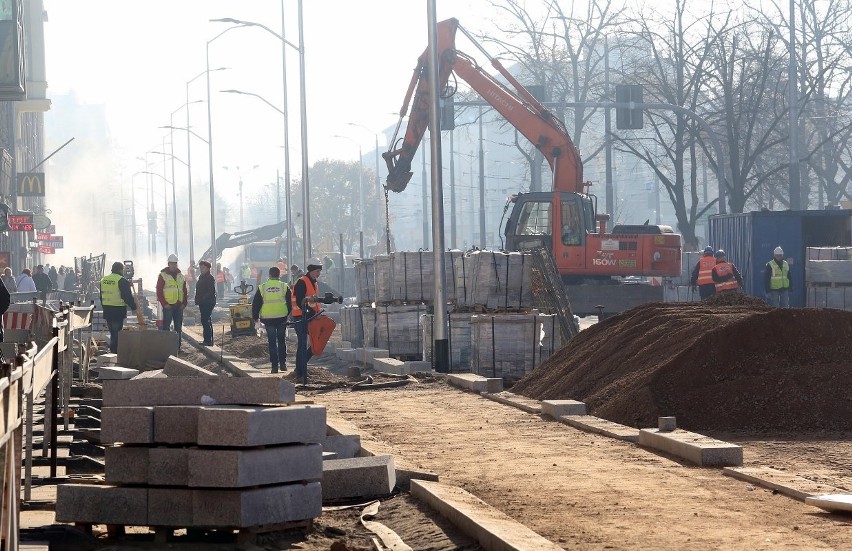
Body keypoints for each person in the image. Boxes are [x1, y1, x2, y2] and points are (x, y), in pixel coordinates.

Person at [252, 266, 290, 374]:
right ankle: (283, 364)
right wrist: (287, 313)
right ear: (279, 275)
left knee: (272, 342)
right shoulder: (284, 286)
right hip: (282, 317)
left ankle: (274, 367)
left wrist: (255, 317)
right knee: (282, 341)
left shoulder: (262, 287)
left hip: (268, 319)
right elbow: (289, 302)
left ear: (269, 275)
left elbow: (256, 303)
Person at [291, 261, 322, 384]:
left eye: (319, 272)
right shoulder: (302, 282)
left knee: (316, 342)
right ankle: (300, 372)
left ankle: (300, 367)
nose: (318, 274)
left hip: (310, 317)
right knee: (303, 344)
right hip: (300, 317)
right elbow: (300, 301)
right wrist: (309, 312)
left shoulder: (314, 282)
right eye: (316, 272)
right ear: (310, 271)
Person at [100, 261, 138, 354]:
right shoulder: (121, 280)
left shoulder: (103, 279)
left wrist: (105, 307)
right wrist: (134, 307)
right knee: (116, 333)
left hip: (108, 311)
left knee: (113, 333)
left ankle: (113, 351)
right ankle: (114, 352)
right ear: (121, 270)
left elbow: (101, 296)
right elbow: (127, 297)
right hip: (118, 311)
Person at [156, 254, 188, 346]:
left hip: (179, 306)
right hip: (168, 306)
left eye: (175, 263)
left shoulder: (181, 276)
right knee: (166, 327)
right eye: (172, 263)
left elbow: (184, 291)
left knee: (178, 327)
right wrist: (164, 304)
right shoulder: (163, 275)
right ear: (168, 264)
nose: (173, 265)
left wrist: (184, 303)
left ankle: (177, 347)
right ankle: (167, 346)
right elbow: (159, 291)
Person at [194, 260, 216, 346]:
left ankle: (208, 340)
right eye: (200, 268)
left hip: (208, 302)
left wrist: (203, 299)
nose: (201, 269)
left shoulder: (209, 278)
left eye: (203, 268)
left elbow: (211, 291)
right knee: (207, 320)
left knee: (205, 320)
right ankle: (208, 340)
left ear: (208, 268)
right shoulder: (202, 277)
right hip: (203, 302)